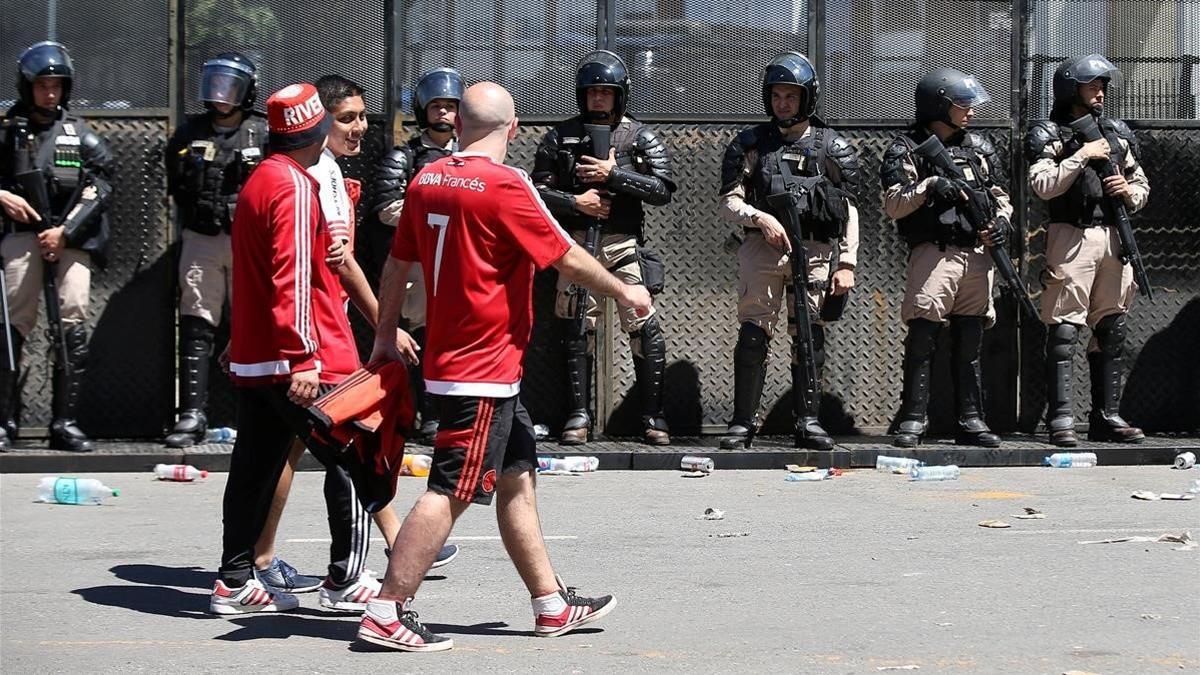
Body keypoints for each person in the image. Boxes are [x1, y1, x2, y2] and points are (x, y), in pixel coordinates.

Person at [356, 82, 648, 652]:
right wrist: (623, 291)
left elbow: (396, 262)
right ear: (512, 130)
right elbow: (563, 254)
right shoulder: (506, 185)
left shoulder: (428, 179)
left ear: (459, 124)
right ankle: (387, 610)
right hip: (480, 367)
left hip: (465, 361)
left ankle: (550, 604)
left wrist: (385, 334)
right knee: (452, 488)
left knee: (517, 473)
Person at [249, 76, 457, 598]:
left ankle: (259, 559)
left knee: (293, 447)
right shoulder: (304, 175)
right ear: (318, 123)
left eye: (364, 116)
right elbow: (325, 267)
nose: (359, 126)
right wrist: (377, 326)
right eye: (346, 118)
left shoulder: (329, 172)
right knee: (352, 438)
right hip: (314, 334)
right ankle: (346, 567)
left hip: (318, 328)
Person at [210, 82, 389, 615]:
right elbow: (291, 276)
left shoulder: (260, 180)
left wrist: (242, 340)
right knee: (358, 454)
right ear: (317, 130)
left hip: (260, 356)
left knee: (253, 468)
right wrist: (304, 357)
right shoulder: (293, 185)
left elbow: (255, 275)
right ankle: (346, 580)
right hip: (298, 356)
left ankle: (234, 582)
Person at [717, 52, 861, 449]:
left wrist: (846, 263)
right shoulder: (751, 144)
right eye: (776, 96)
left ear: (807, 98)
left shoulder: (831, 146)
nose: (783, 103)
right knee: (752, 335)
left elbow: (849, 209)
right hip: (762, 250)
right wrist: (759, 218)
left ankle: (808, 421)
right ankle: (743, 423)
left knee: (809, 337)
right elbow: (729, 201)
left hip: (814, 250)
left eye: (791, 96)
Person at [532, 50, 676, 446]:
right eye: (592, 92)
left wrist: (615, 175)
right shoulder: (561, 135)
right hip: (575, 245)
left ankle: (653, 416)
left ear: (620, 96)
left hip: (623, 243)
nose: (599, 99)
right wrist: (577, 203)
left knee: (645, 324)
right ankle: (578, 415)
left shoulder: (639, 136)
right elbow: (535, 192)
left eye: (606, 92)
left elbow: (663, 189)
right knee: (577, 326)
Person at [880, 68, 1012, 448]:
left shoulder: (981, 148)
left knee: (971, 337)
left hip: (976, 254)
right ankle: (913, 419)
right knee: (923, 335)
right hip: (934, 254)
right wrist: (931, 185)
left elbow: (1000, 197)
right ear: (939, 105)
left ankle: (971, 419)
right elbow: (894, 204)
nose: (970, 111)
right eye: (962, 104)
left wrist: (1001, 224)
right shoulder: (906, 148)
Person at [1027, 55, 1149, 446]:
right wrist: (1081, 156)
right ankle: (1060, 417)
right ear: (1069, 88)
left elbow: (1141, 183)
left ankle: (1106, 416)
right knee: (1064, 328)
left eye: (1102, 85)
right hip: (1071, 236)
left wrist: (1128, 194)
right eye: (1091, 84)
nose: (1100, 91)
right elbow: (1043, 185)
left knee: (1112, 327)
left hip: (1114, 236)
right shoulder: (1049, 133)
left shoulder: (1116, 132)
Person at [0, 41, 113, 453]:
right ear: (27, 86)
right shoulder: (8, 130)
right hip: (21, 236)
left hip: (69, 240)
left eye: (57, 86)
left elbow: (102, 180)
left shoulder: (78, 133)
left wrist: (65, 231)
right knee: (14, 321)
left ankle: (65, 422)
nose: (50, 94)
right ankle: (5, 421)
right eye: (42, 86)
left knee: (72, 319)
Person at [163, 52, 267, 448]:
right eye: (215, 84)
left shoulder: (263, 133)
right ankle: (191, 413)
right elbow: (174, 184)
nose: (221, 94)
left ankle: (257, 413)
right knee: (196, 320)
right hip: (202, 237)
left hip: (250, 242)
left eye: (230, 86)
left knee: (254, 324)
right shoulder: (190, 133)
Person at [371, 68, 463, 441]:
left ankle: (442, 412)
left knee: (451, 337)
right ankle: (410, 413)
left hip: (458, 264)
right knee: (416, 335)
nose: (443, 113)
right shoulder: (405, 156)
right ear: (423, 108)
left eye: (451, 106)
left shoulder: (471, 154)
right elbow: (385, 206)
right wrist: (433, 219)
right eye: (436, 106)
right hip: (418, 263)